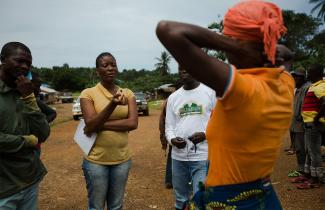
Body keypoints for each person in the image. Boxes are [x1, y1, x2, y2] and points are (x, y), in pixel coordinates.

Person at [156, 1, 294, 209]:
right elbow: (287, 53)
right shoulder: (285, 81)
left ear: (238, 43)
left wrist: (236, 46)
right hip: (263, 194)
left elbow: (167, 30)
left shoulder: (243, 90)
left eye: (228, 37)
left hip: (230, 200)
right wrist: (261, 47)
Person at [80, 52, 138, 210]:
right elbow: (91, 124)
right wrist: (112, 105)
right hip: (96, 162)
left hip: (122, 160)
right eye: (105, 65)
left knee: (116, 206)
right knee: (96, 206)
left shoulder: (127, 93)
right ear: (97, 71)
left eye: (113, 65)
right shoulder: (88, 93)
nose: (110, 68)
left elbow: (133, 123)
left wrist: (100, 124)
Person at [0, 42, 50, 209]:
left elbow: (43, 134)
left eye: (28, 63)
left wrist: (29, 98)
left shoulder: (24, 91)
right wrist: (27, 141)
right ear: (2, 60)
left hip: (29, 182)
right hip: (4, 189)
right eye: (19, 61)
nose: (25, 66)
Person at [165, 66, 216, 210]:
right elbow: (169, 127)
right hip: (178, 157)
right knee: (181, 198)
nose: (183, 71)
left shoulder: (210, 93)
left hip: (202, 156)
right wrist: (172, 140)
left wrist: (206, 135)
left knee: (201, 197)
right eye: (180, 69)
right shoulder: (173, 98)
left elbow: (219, 123)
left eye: (188, 66)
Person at [298, 64, 325, 189]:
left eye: (310, 72)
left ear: (317, 74)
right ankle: (310, 175)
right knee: (310, 150)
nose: (308, 75)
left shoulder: (320, 86)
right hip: (309, 123)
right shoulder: (314, 86)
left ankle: (316, 179)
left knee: (314, 152)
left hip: (313, 124)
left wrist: (317, 117)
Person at [287, 68, 310, 179]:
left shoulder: (306, 88)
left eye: (296, 77)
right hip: (296, 123)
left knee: (302, 148)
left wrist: (300, 117)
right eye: (294, 77)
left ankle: (304, 171)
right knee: (299, 147)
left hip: (301, 124)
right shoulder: (299, 88)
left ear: (302, 77)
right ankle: (302, 169)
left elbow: (305, 107)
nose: (294, 79)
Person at [31, 72, 57, 157]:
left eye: (39, 86)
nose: (39, 90)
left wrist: (40, 123)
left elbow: (52, 113)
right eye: (37, 86)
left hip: (33, 147)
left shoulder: (35, 101)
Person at [159, 99, 173, 189]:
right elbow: (163, 121)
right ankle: (169, 180)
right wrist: (164, 139)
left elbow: (162, 122)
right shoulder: (171, 100)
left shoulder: (168, 100)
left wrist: (164, 139)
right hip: (174, 135)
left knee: (172, 156)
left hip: (173, 135)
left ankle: (169, 180)